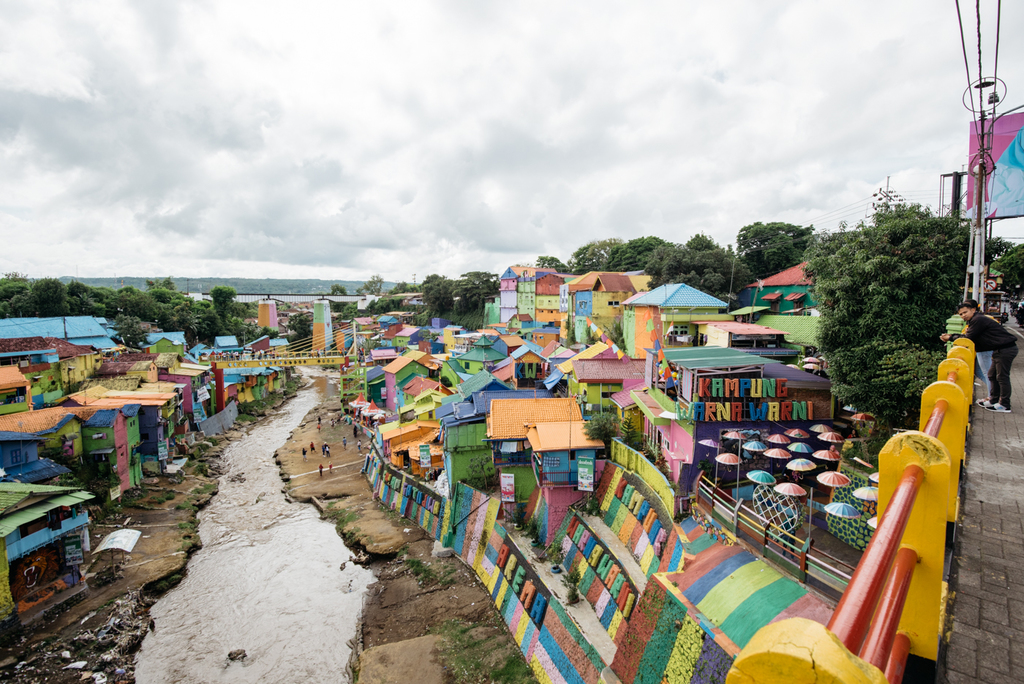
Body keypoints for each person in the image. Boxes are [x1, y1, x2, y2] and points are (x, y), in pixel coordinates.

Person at [941, 300, 1019, 412]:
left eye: (965, 312)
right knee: (992, 375)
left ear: (973, 310)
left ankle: (1005, 405)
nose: (963, 315)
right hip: (999, 349)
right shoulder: (975, 320)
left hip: (1006, 349)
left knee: (1002, 377)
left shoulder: (978, 320)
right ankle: (993, 400)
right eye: (961, 314)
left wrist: (950, 337)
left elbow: (968, 337)